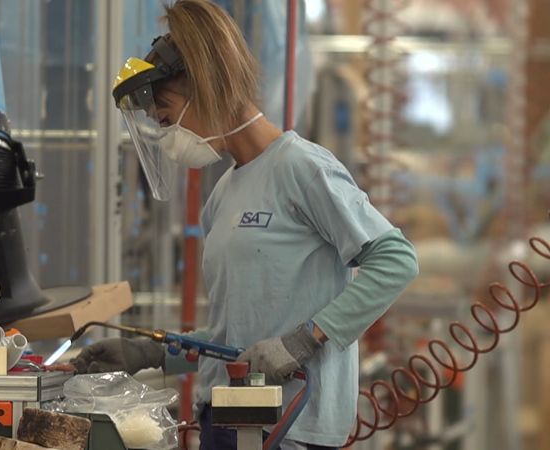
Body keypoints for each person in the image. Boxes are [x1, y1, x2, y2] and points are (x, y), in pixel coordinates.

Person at [71, 1, 419, 449]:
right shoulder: (222, 197)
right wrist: (151, 353)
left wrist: (306, 339)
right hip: (228, 419)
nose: (169, 134)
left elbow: (396, 261)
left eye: (167, 114)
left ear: (208, 86)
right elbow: (232, 337)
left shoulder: (302, 169)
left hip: (292, 425)